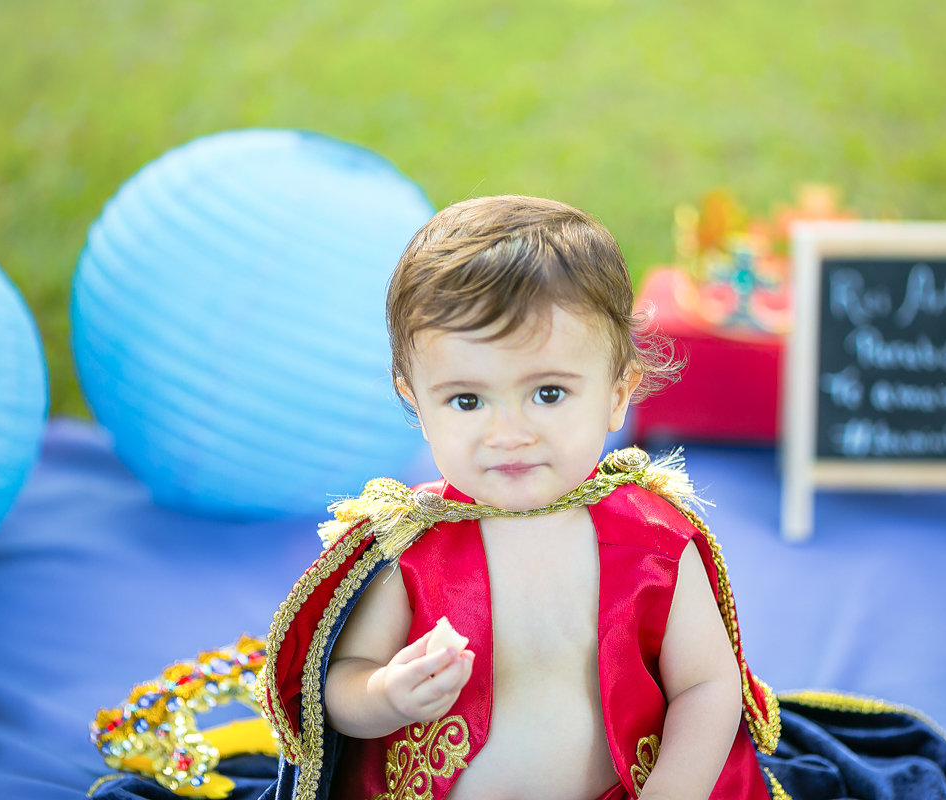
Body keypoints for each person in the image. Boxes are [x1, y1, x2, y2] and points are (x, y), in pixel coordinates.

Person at [258, 195, 779, 800]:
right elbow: (342, 685)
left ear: (618, 393)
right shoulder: (411, 550)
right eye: (467, 401)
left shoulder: (652, 542)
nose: (508, 433)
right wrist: (386, 695)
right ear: (417, 405)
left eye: (549, 394)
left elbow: (707, 685)